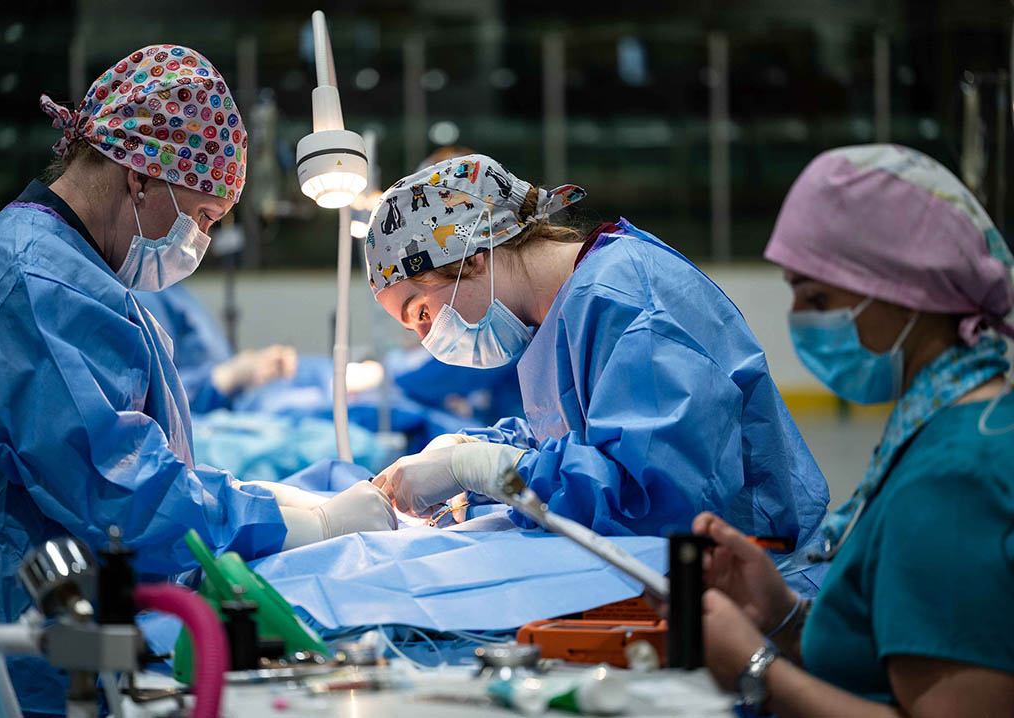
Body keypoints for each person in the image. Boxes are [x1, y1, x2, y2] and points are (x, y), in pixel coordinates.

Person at [0, 45, 394, 717]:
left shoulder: (75, 276)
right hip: (0, 656)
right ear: (140, 178)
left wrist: (265, 505)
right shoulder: (26, 274)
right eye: (203, 217)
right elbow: (117, 488)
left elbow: (140, 461)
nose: (201, 241)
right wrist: (305, 522)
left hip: (61, 637)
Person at [367, 153, 830, 590]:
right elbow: (580, 443)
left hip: (755, 589)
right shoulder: (561, 316)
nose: (428, 340)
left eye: (422, 313)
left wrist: (486, 470)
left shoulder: (624, 297)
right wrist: (474, 451)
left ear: (472, 255)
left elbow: (656, 497)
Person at [695, 144, 1014, 716]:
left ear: (907, 289)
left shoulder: (957, 476)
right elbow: (890, 652)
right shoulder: (950, 416)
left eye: (818, 298)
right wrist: (784, 618)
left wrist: (755, 668)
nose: (802, 323)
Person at [132, 284, 298, 413]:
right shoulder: (142, 296)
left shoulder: (174, 290)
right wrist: (227, 377)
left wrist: (249, 367)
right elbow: (146, 397)